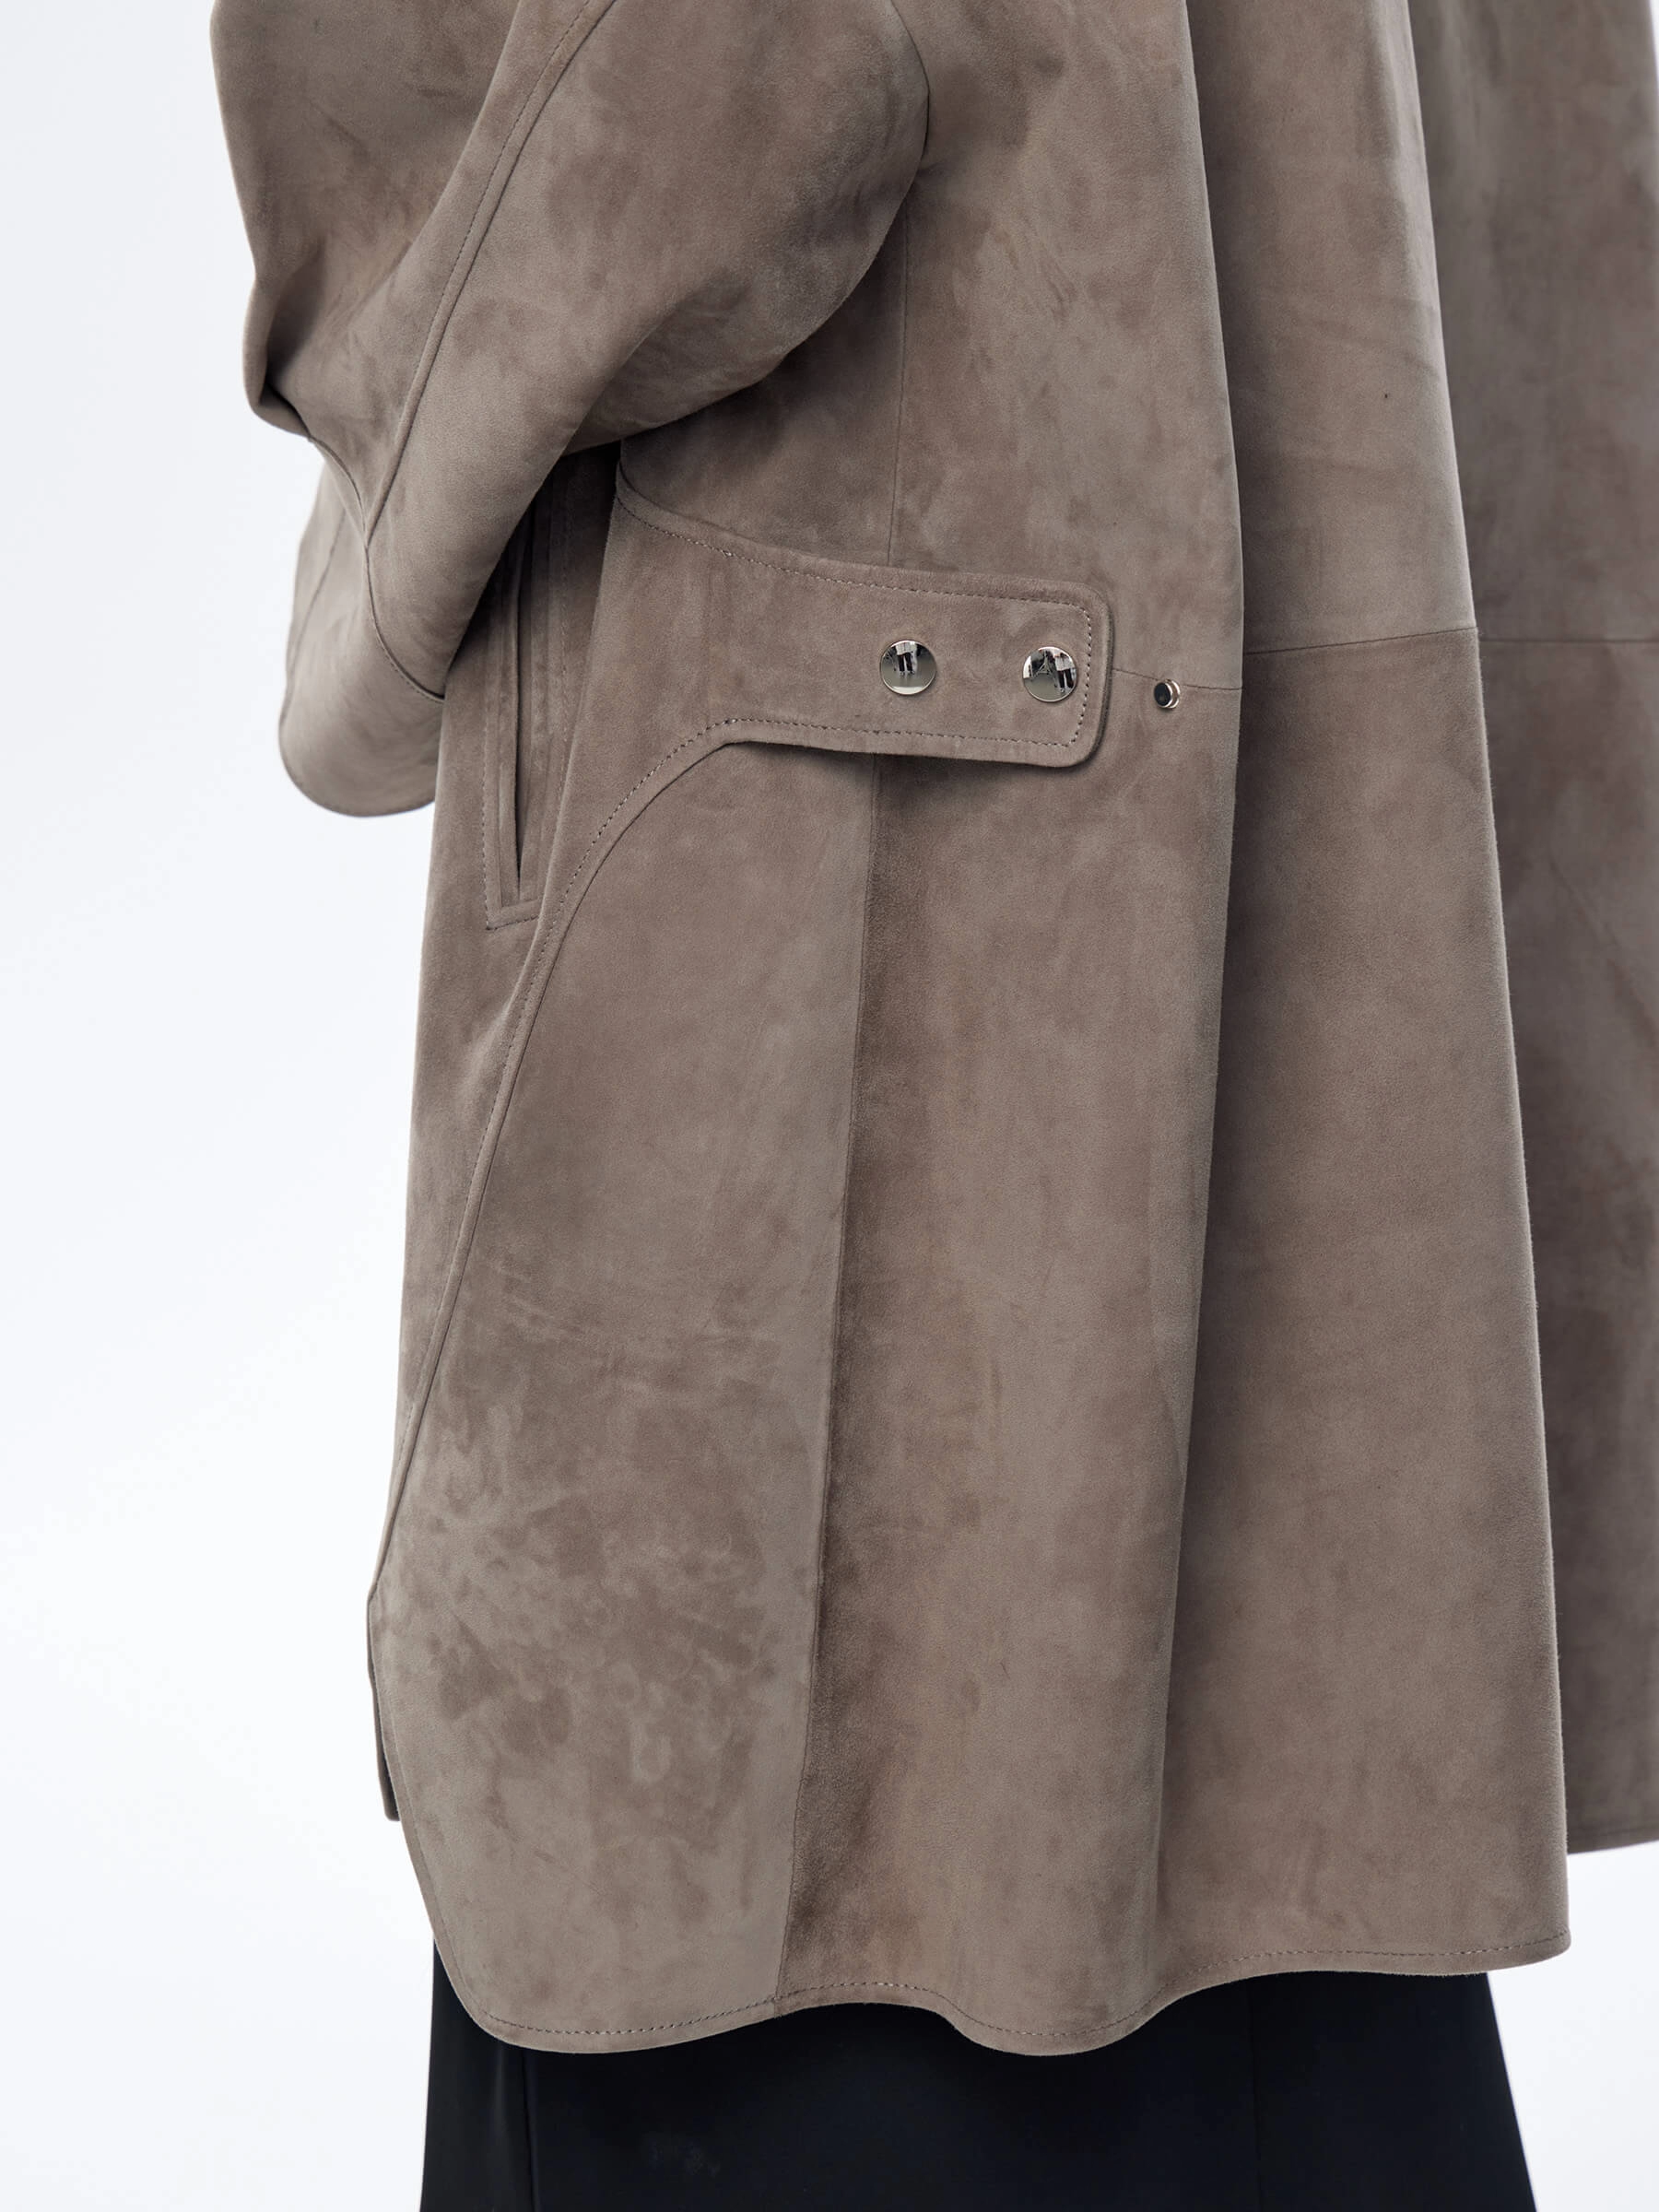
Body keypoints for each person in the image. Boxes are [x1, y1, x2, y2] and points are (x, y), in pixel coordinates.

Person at [213, 1, 1659, 2201]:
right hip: (1315, 1016)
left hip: (885, 1000)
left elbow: (638, 117)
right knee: (1273, 1920)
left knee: (801, 1932)